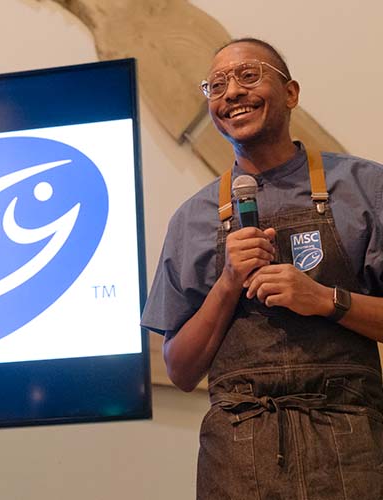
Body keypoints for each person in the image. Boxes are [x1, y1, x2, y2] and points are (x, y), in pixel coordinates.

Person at [141, 38, 383, 499]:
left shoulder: (364, 187)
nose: (230, 92)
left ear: (290, 93)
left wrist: (325, 300)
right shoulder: (192, 218)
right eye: (215, 86)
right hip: (238, 454)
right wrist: (229, 282)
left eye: (248, 75)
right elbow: (181, 370)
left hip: (352, 444)